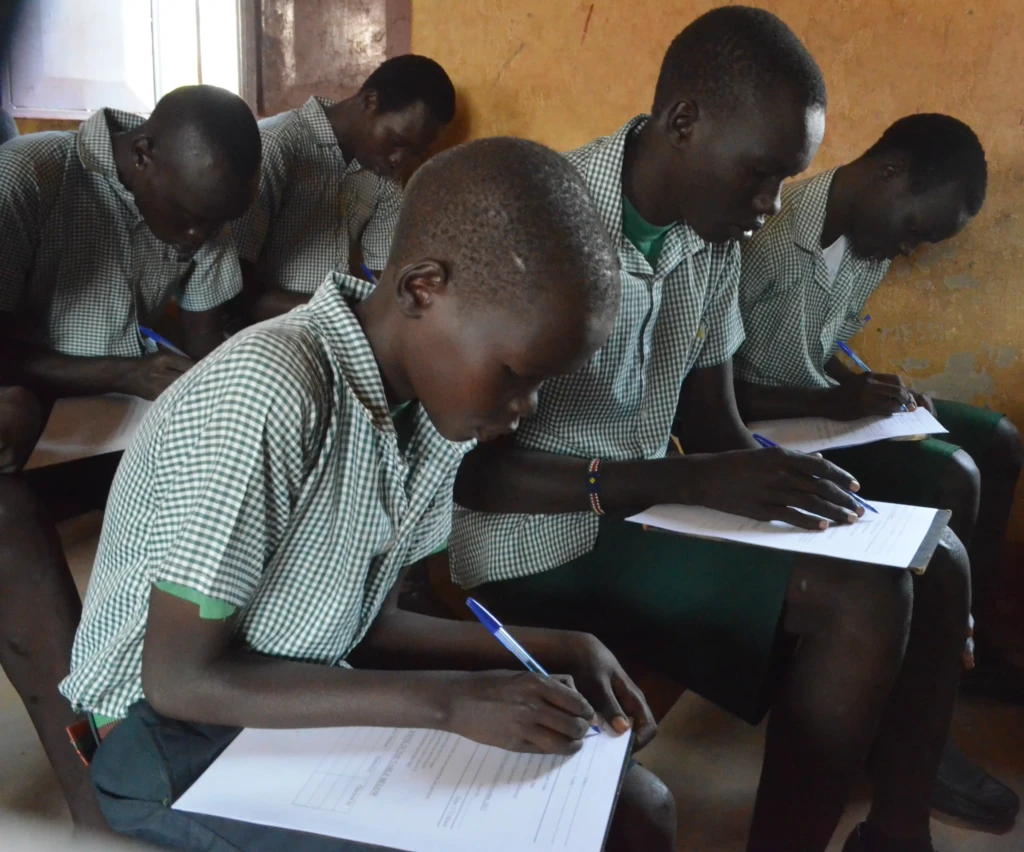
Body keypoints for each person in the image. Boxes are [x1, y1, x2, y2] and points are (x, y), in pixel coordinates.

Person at [59, 136, 677, 852]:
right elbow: (179, 680)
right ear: (422, 288)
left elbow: (363, 624)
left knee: (635, 807)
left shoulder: (438, 415)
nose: (526, 407)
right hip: (165, 740)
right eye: (515, 373)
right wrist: (446, 703)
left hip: (293, 689)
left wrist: (557, 645)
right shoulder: (273, 389)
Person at [449, 8, 970, 852]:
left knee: (927, 554)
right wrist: (687, 483)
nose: (771, 205)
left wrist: (810, 500)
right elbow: (471, 475)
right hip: (535, 540)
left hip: (643, 511)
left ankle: (899, 826)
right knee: (860, 602)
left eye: (783, 180)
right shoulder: (543, 218)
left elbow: (711, 424)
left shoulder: (713, 235)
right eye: (761, 173)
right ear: (683, 123)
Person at [733, 113, 1021, 828]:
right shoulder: (767, 235)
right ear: (890, 173)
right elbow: (719, 388)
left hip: (816, 411)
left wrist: (871, 390)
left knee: (1000, 442)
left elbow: (812, 350)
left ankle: (952, 669)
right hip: (764, 432)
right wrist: (839, 397)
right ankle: (920, 714)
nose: (910, 248)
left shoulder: (866, 239)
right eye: (916, 228)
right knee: (954, 474)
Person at [0, 84, 261, 832]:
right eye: (184, 221)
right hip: (41, 402)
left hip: (103, 415)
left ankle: (184, 715)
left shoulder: (200, 204)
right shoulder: (30, 178)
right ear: (141, 155)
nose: (191, 242)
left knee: (220, 440)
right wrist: (119, 374)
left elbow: (209, 345)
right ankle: (94, 797)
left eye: (211, 227)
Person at [233, 54, 456, 323]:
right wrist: (345, 311)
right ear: (369, 101)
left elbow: (384, 278)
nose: (400, 160)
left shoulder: (382, 171)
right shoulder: (276, 145)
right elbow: (234, 293)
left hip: (330, 327)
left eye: (415, 152)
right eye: (397, 141)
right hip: (260, 333)